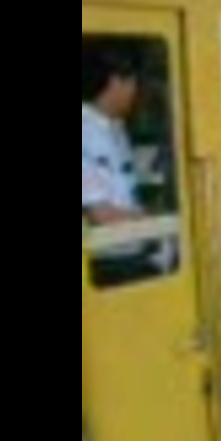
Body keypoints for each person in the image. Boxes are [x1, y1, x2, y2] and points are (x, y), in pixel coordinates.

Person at [82, 47, 157, 287]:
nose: (136, 93)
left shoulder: (116, 128)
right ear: (116, 82)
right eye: (133, 84)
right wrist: (152, 223)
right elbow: (100, 214)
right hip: (107, 264)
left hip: (135, 250)